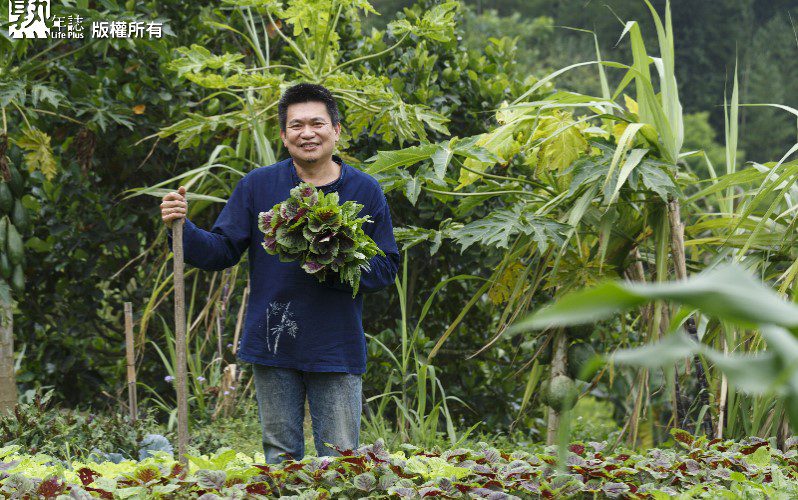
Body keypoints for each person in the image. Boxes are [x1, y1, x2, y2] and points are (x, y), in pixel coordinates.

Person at [159, 83, 400, 463]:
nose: (308, 133)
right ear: (284, 135)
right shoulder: (258, 186)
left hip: (335, 344)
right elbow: (222, 250)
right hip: (273, 337)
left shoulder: (364, 189)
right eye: (296, 125)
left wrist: (334, 261)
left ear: (336, 130)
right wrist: (181, 228)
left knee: (341, 458)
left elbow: (387, 267)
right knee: (280, 457)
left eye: (317, 124)